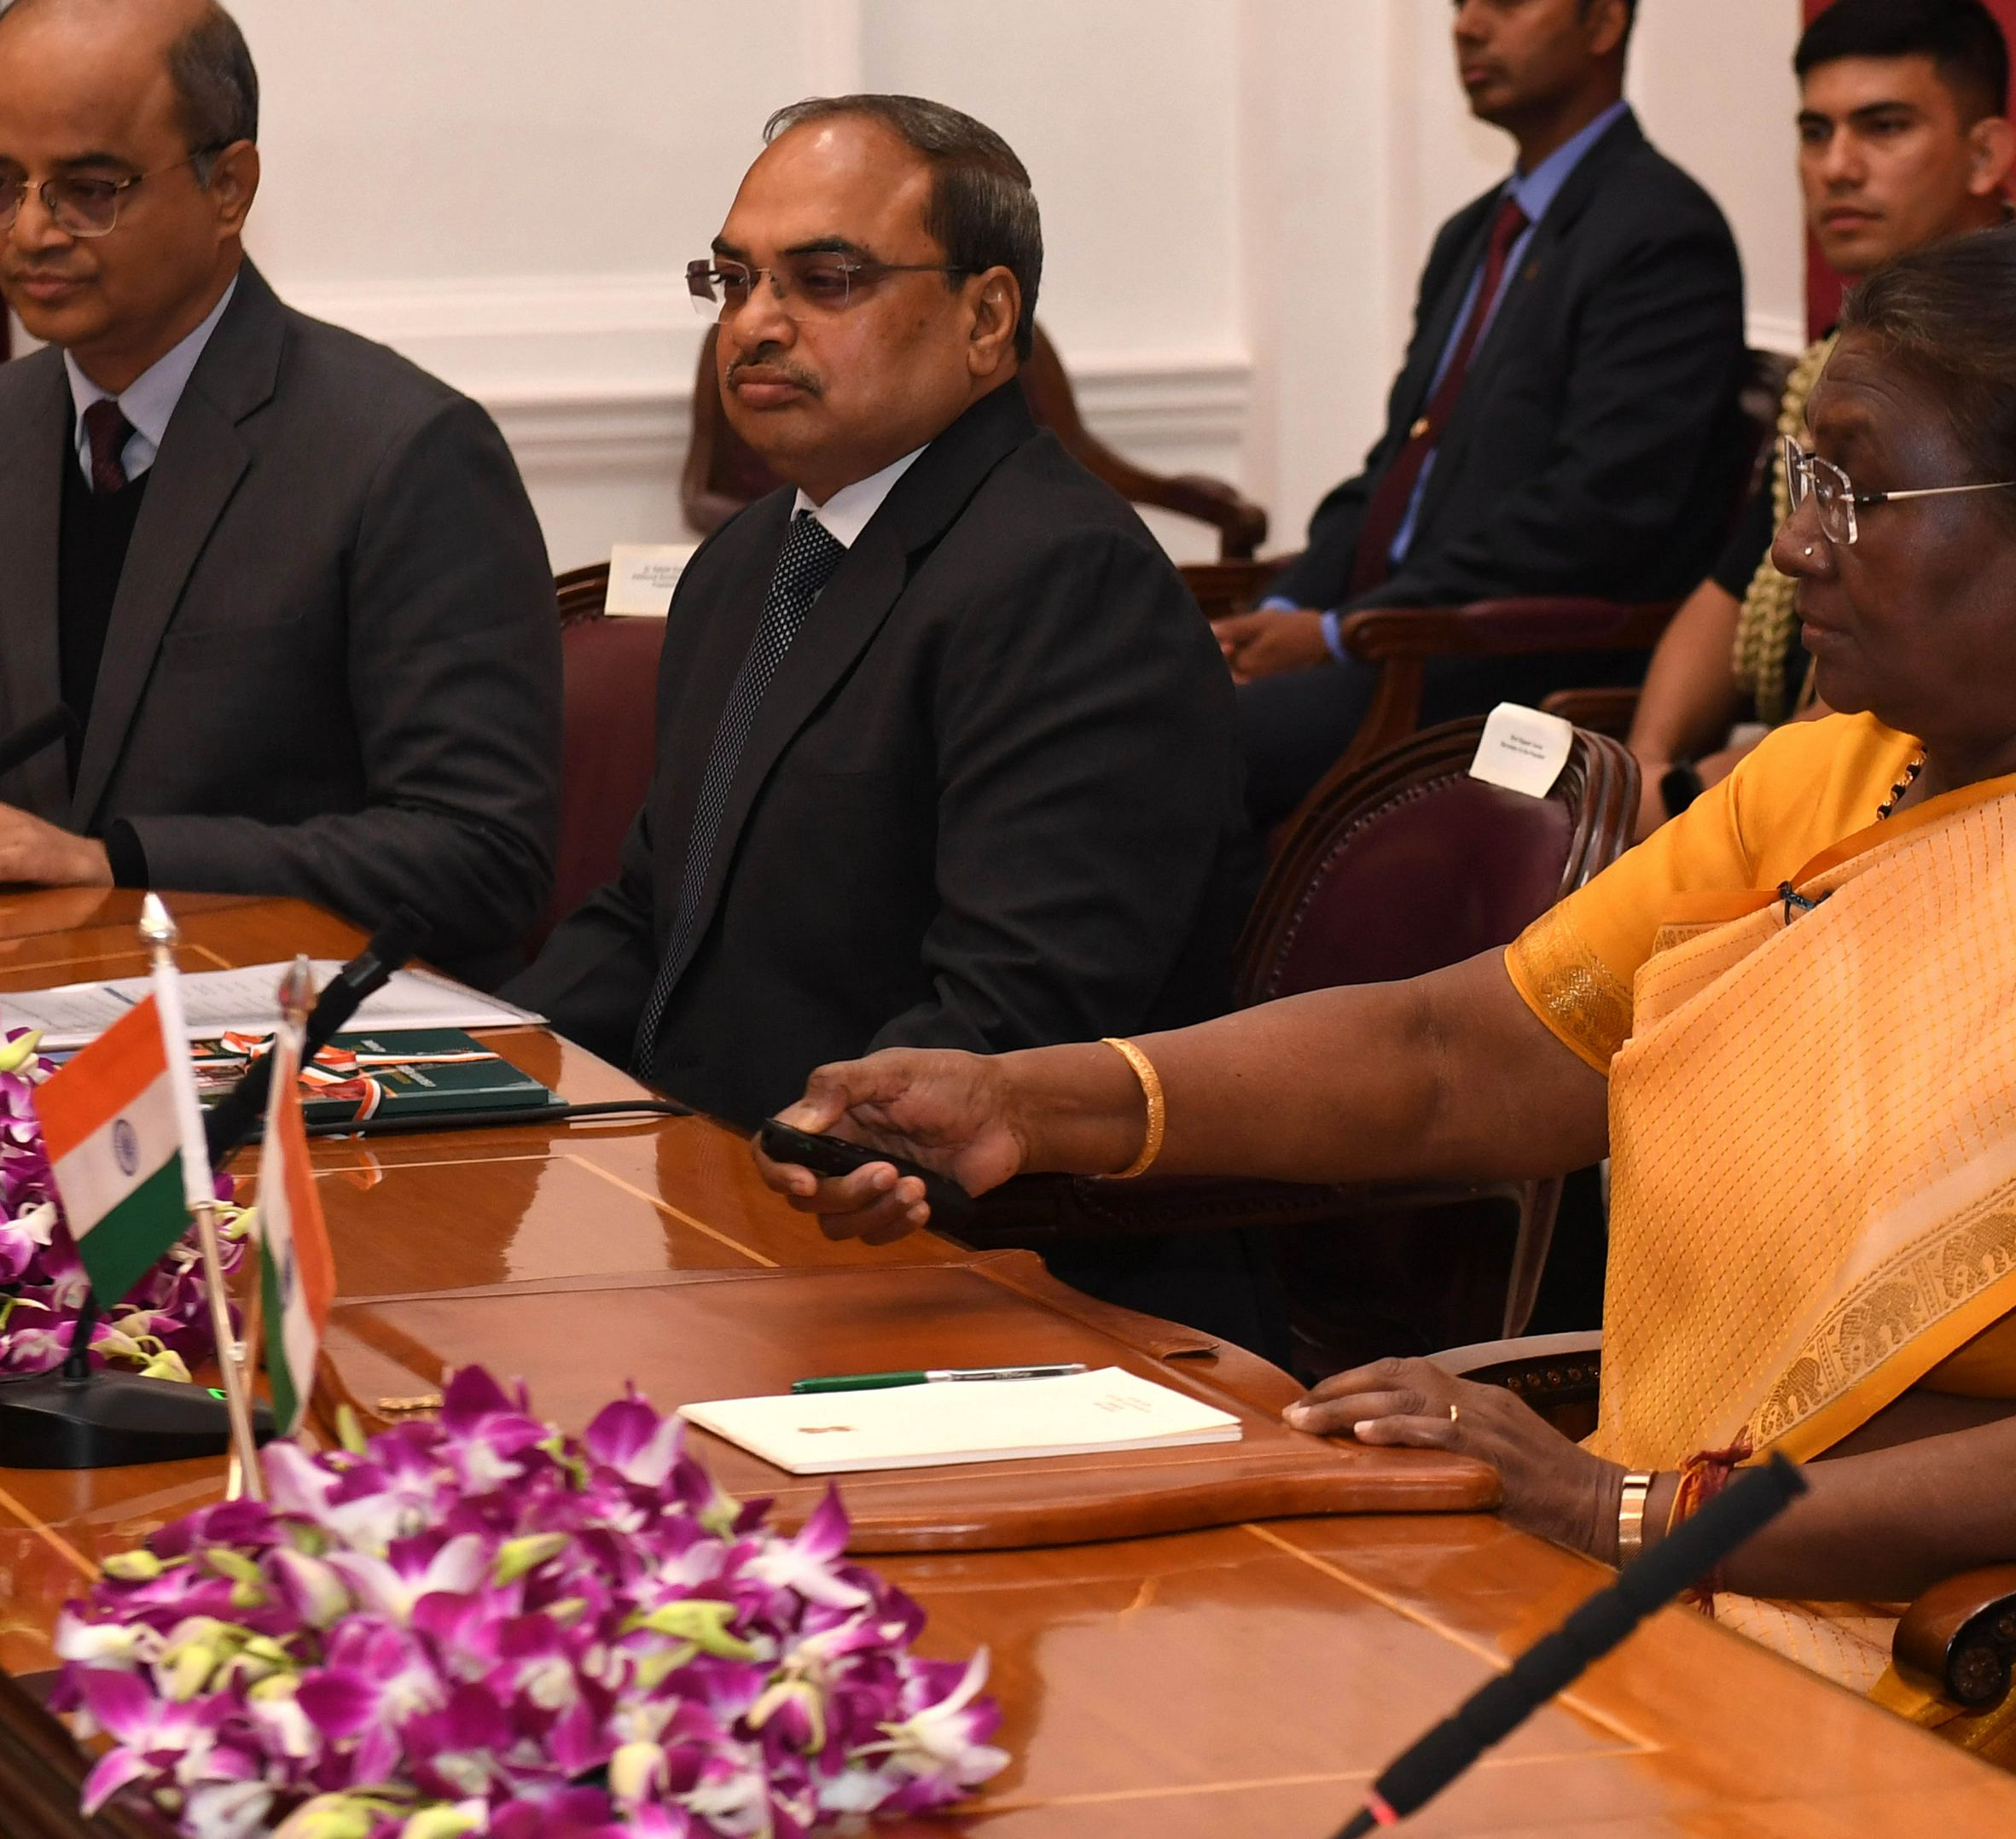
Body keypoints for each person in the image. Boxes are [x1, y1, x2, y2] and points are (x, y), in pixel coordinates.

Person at [757, 224, 2016, 1831]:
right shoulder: (1836, 779)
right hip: (1759, 1598)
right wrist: (1029, 1102)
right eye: (1796, 485)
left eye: (1853, 491)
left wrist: (1627, 1510)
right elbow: (1461, 1058)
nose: (1792, 548)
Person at [511, 95, 1263, 1339]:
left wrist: (808, 1149)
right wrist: (472, 1056)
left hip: (975, 1280)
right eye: (734, 280)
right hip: (713, 1213)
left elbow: (1016, 1019)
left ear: (986, 317)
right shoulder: (748, 560)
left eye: (826, 280)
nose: (756, 322)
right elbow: (652, 915)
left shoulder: (1067, 581)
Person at [0, 0, 560, 984]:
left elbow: (480, 855)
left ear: (230, 186)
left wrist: (119, 863)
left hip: (287, 1032)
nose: (33, 230)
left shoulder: (403, 451)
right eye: (4, 186)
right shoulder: (8, 421)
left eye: (89, 190)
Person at [1212, 0, 1748, 829]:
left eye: (1503, 3)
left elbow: (1593, 518)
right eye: (1461, 4)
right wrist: (1285, 612)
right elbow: (1394, 476)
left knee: (1173, 736)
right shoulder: (1473, 236)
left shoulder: (1661, 232)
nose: (1466, 26)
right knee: (1132, 695)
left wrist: (1343, 631)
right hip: (1398, 643)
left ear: (1602, 23)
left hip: (1499, 668)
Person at [1630, 0, 2016, 840]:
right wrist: (1647, 761)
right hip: (1791, 785)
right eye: (1815, 133)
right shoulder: (1834, 364)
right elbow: (1733, 588)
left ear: (1984, 153)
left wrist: (1685, 797)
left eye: (1884, 127)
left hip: (1951, 808)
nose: (1837, 167)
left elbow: (1895, 682)